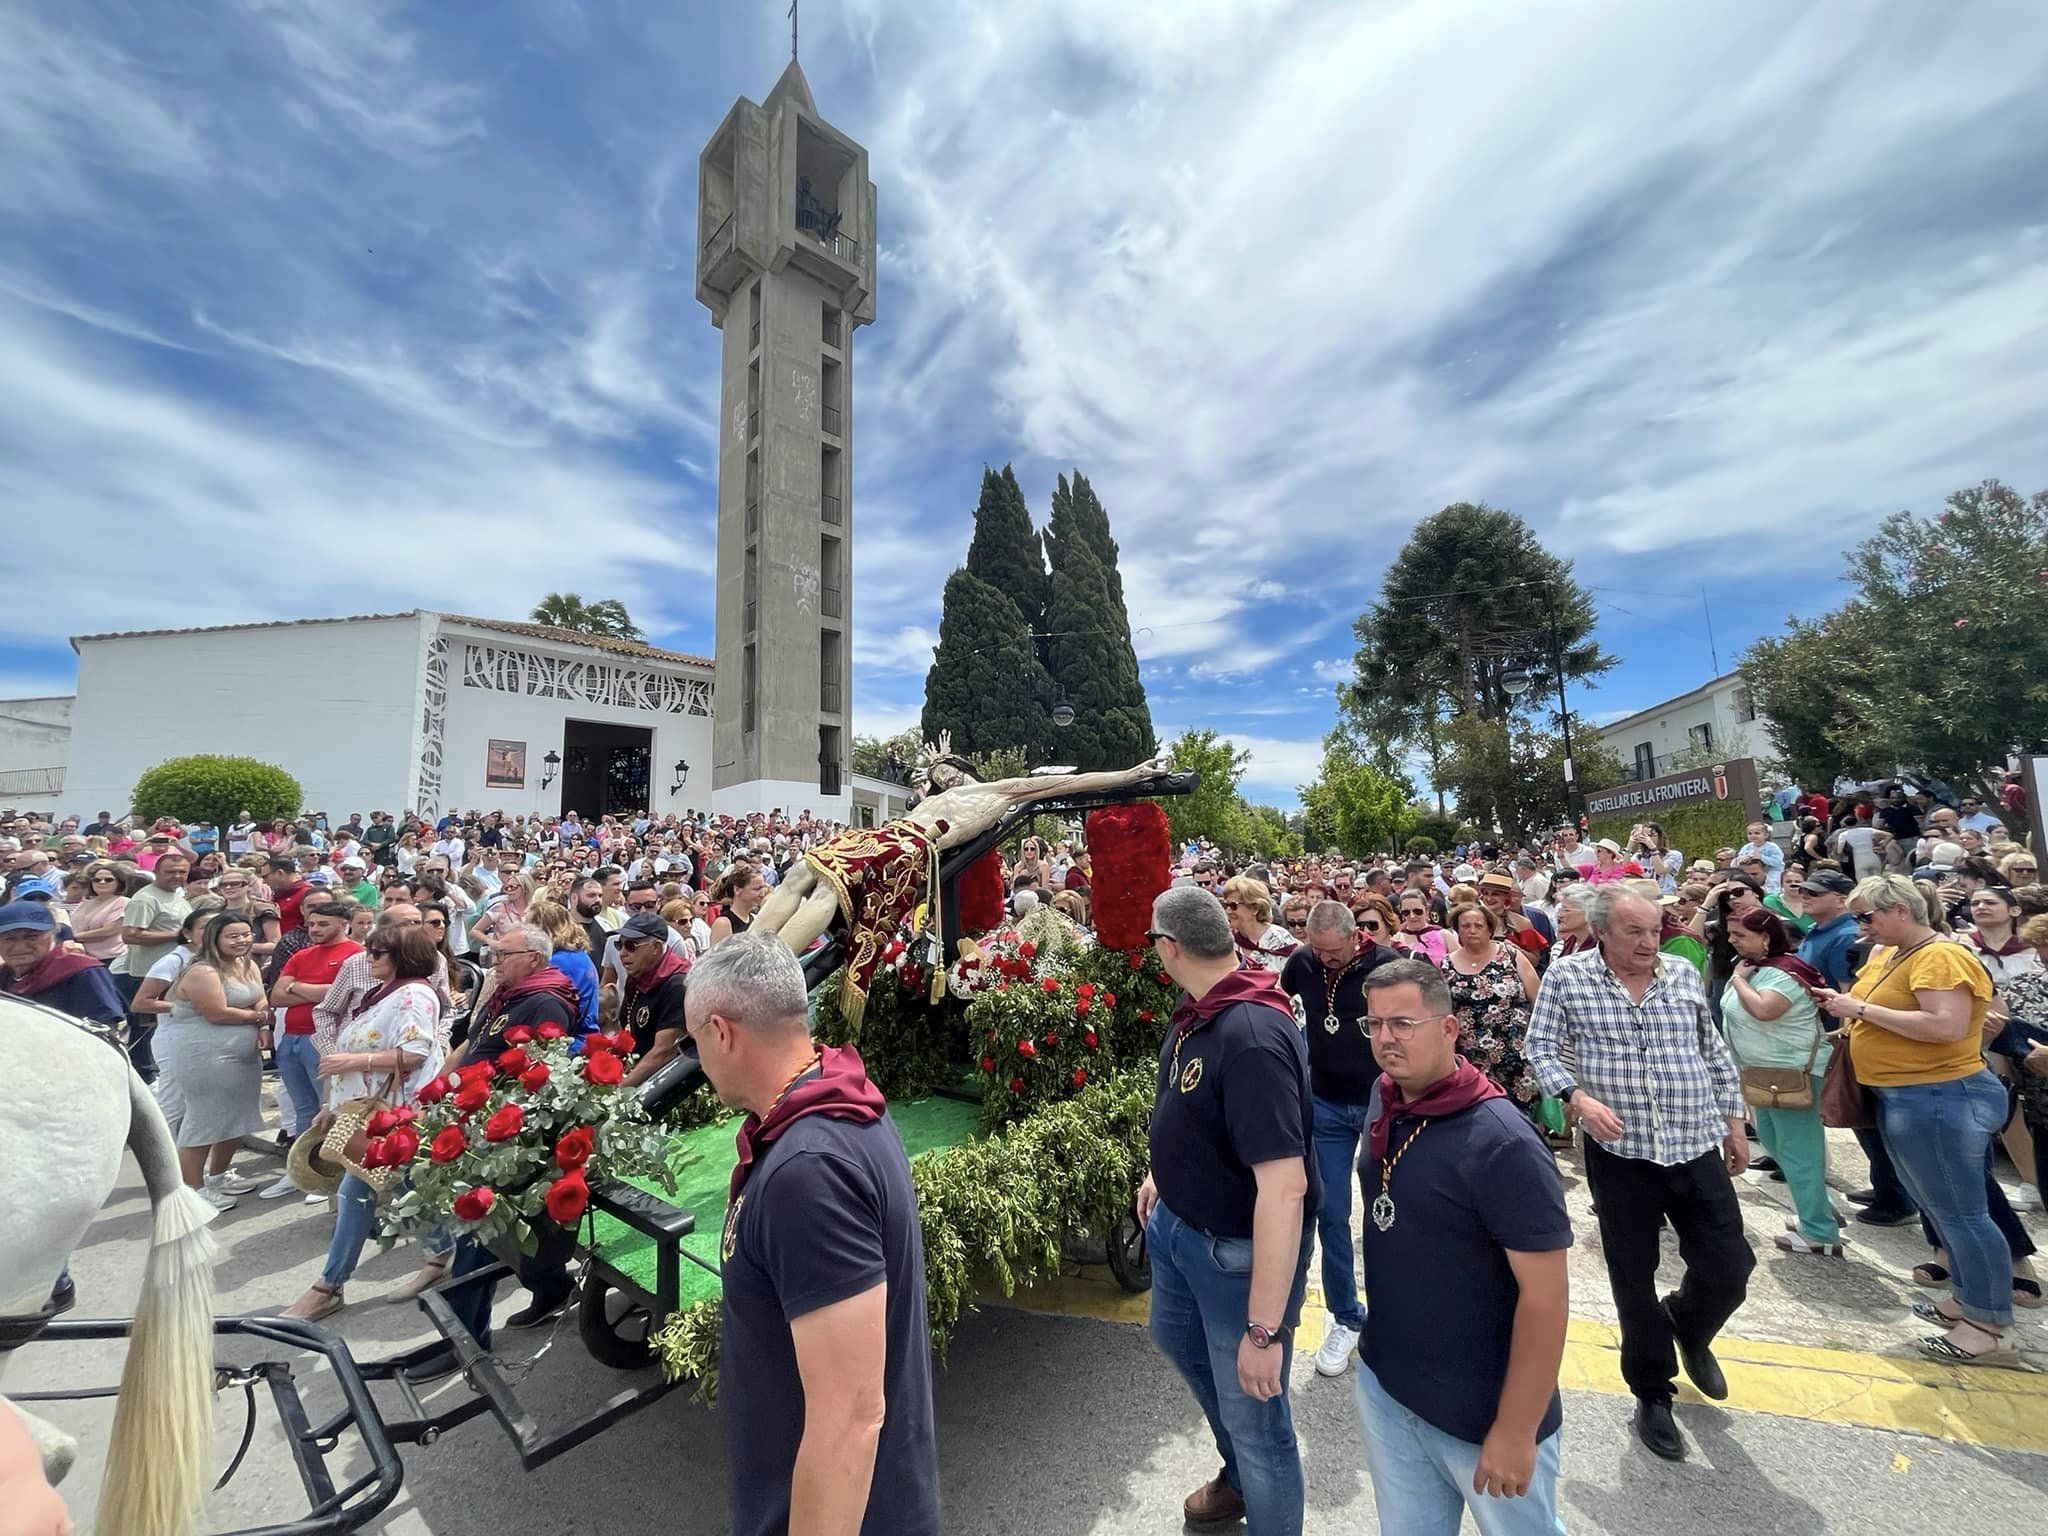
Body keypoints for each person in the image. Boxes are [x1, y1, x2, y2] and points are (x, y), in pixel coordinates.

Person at [680, 932, 939, 1536]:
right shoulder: (823, 1108)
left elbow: (850, 1417)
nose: (702, 1063)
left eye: (696, 1044)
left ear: (721, 1032)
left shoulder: (809, 1168)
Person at [1525, 887, 1754, 1462]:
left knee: (1729, 1265)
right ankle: (1653, 1391)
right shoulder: (1569, 977)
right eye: (1635, 931)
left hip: (1693, 1140)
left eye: (1654, 929)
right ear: (1603, 931)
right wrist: (1576, 1097)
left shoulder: (1680, 973)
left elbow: (1712, 1049)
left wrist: (1734, 1119)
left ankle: (1687, 1323)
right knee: (1634, 1275)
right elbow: (1541, 1048)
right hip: (1621, 1153)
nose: (1650, 942)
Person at [1352, 958, 1572, 1535]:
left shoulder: (1502, 1143)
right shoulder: (1387, 1099)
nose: (1385, 1039)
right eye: (1373, 1025)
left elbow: (1546, 1297)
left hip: (1482, 1412)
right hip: (1391, 1386)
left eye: (1402, 1023)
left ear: (1449, 1029)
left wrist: (1517, 1428)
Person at [1137, 886, 1314, 1532]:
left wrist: (1263, 1331)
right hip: (1181, 1229)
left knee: (1258, 1421)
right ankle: (1238, 1474)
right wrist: (1164, 1170)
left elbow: (1284, 1187)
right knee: (1176, 1340)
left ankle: (1254, 1482)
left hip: (1233, 1255)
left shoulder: (1250, 1033)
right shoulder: (1201, 1009)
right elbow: (1192, 1107)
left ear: (1169, 947)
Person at [1815, 877, 2027, 1366]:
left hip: (1939, 1096)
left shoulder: (1941, 956)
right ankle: (1971, 1300)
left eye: (1867, 916)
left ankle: (1989, 1325)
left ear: (1902, 911)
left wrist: (1859, 1008)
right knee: (1940, 1207)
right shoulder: (1890, 954)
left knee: (1962, 1212)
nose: (1860, 926)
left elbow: (1946, 1025)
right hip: (1906, 1097)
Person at [285, 923, 447, 1321]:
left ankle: (328, 1286)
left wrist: (352, 1062)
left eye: (377, 952)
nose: (368, 958)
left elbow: (414, 1052)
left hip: (394, 1116)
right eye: (369, 950)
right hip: (367, 1113)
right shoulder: (382, 993)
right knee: (405, 1189)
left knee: (359, 1193)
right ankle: (442, 1255)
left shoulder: (413, 994)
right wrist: (331, 1102)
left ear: (402, 957)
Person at [1277, 901, 1398, 1379]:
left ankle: (1396, 1316)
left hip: (1380, 1105)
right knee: (1330, 1212)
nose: (1324, 959)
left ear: (1354, 938)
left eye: (1332, 951)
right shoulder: (1303, 961)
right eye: (1317, 949)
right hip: (1324, 1104)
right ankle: (1346, 1316)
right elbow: (1276, 1002)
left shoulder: (1388, 965)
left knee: (1388, 1215)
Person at [1721, 908, 1841, 1254]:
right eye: (1731, 934)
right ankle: (1816, 1205)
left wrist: (1739, 980)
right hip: (1761, 1072)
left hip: (1791, 1073)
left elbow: (1764, 1010)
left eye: (1740, 935)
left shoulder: (1784, 974)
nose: (1732, 941)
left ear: (1766, 938)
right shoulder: (1760, 969)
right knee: (1773, 1141)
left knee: (1798, 1149)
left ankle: (1819, 1232)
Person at [155, 911, 272, 1211]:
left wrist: (262, 1024)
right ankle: (192, 1190)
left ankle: (218, 1177)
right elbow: (216, 1012)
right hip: (205, 1056)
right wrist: (259, 1017)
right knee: (204, 1119)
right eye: (233, 935)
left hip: (242, 1057)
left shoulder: (247, 964)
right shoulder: (203, 971)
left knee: (235, 1117)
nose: (242, 940)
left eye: (246, 934)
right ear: (214, 938)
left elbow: (261, 998)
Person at [265, 900, 362, 1197]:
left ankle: (334, 1174)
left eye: (323, 924)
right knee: (303, 1109)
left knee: (332, 1107)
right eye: (312, 924)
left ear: (342, 924)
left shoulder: (356, 954)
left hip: (326, 1040)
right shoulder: (301, 954)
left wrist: (297, 987)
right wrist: (318, 992)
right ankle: (306, 1171)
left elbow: (344, 995)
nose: (315, 929)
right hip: (291, 1038)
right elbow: (276, 996)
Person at [1440, 903, 1542, 1115]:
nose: (1472, 930)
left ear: (1489, 928)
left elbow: (1539, 1000)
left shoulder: (1511, 955)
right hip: (1471, 1059)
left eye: (1478, 925)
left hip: (1517, 1056)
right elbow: (1442, 1013)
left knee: (1523, 1117)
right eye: (1465, 926)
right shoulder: (1447, 965)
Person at [116, 847, 191, 1081]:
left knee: (167, 1028)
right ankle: (147, 1079)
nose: (177, 876)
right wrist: (179, 935)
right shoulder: (146, 898)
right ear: (156, 871)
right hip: (145, 972)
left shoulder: (177, 896)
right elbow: (130, 935)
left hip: (173, 971)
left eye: (182, 872)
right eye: (171, 872)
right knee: (147, 1031)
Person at [0, 898, 125, 1025]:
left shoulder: (82, 971)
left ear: (53, 935)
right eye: (9, 939)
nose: (20, 946)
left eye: (31, 937)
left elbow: (105, 1027)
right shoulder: (5, 975)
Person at [618, 911, 692, 1088]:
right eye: (618, 945)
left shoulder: (677, 984)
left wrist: (620, 1090)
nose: (622, 953)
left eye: (630, 946)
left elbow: (664, 1051)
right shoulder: (638, 976)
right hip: (638, 1075)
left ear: (656, 948)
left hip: (666, 1088)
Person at [527, 897, 600, 1030]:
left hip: (568, 1041)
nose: (523, 933)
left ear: (544, 928)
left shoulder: (557, 962)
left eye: (528, 927)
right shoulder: (577, 956)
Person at [1221, 876, 1296, 972]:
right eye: (1226, 905)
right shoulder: (1227, 942)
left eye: (1233, 906)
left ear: (1255, 908)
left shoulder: (1280, 940)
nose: (1228, 911)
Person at [67, 861, 129, 967]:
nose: (102, 882)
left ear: (119, 882)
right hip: (82, 957)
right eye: (96, 880)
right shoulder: (85, 903)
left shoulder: (123, 902)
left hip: (110, 959)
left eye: (108, 880)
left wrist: (72, 937)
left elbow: (108, 931)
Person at [708, 861, 766, 945]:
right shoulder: (724, 924)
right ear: (737, 890)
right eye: (757, 889)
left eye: (763, 888)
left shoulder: (754, 919)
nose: (762, 893)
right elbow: (718, 957)